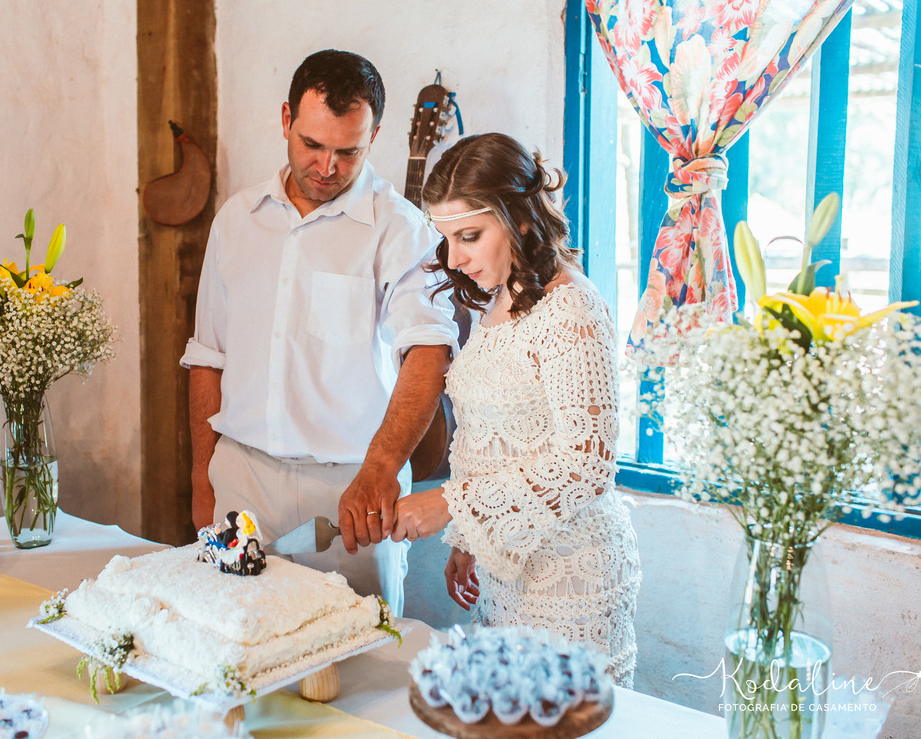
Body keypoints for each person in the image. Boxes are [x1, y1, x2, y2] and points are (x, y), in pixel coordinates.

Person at [180, 50, 458, 616]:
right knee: (232, 639)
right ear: (286, 120)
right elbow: (208, 355)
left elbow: (428, 353)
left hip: (352, 487)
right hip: (241, 475)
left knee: (356, 664)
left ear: (375, 136)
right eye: (312, 144)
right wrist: (202, 478)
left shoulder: (402, 229)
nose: (327, 166)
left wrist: (381, 468)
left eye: (348, 151)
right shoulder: (237, 219)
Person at [389, 132, 641, 684]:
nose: (454, 258)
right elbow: (492, 435)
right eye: (446, 238)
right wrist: (470, 540)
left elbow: (586, 464)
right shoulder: (504, 296)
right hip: (510, 569)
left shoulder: (570, 308)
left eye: (469, 236)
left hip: (569, 580)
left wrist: (450, 505)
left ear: (520, 217)